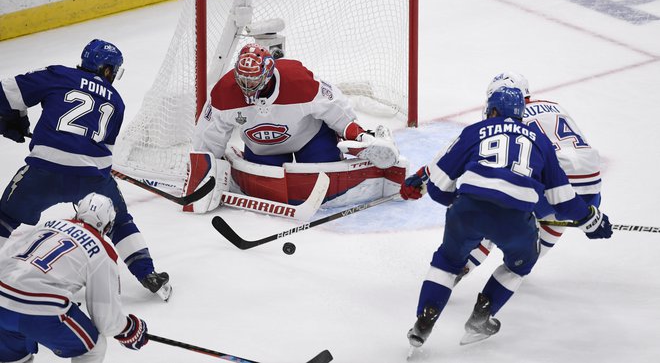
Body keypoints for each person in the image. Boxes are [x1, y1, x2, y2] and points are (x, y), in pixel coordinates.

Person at [399, 86, 612, 349]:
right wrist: (592, 220)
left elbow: (437, 185)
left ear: (494, 110)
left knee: (446, 262)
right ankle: (482, 316)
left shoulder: (474, 131)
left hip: (467, 211)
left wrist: (459, 202)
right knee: (519, 265)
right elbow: (564, 201)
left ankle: (424, 321)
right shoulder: (540, 141)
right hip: (515, 220)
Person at [0, 39, 171, 300]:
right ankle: (147, 272)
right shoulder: (117, 101)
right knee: (120, 220)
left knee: (6, 216)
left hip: (42, 172)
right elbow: (105, 156)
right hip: (91, 178)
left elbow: (6, 92)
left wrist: (13, 118)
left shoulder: (58, 74)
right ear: (107, 70)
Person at [186, 42, 400, 212]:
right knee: (265, 186)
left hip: (309, 137)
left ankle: (369, 142)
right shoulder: (224, 92)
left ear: (268, 73)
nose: (247, 86)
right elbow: (210, 134)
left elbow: (334, 105)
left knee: (324, 175)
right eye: (243, 79)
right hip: (262, 147)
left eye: (253, 80)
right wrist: (203, 170)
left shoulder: (297, 79)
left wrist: (355, 132)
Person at [458, 72, 602, 280]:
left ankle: (462, 266)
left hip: (554, 185)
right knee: (554, 215)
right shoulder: (554, 105)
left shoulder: (510, 117)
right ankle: (524, 261)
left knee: (495, 207)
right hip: (592, 188)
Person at [0, 193, 149, 363]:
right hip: (38, 310)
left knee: (15, 357)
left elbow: (7, 256)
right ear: (107, 226)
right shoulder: (102, 251)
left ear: (78, 213)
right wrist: (129, 328)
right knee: (92, 348)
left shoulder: (47, 225)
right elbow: (106, 321)